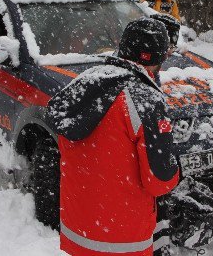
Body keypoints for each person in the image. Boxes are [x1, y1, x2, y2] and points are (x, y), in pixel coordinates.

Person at [48, 17, 180, 255]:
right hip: (122, 238)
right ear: (158, 58)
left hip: (79, 228)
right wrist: (174, 165)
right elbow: (159, 180)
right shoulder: (144, 100)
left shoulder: (86, 82)